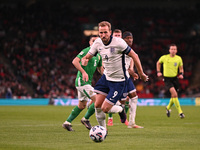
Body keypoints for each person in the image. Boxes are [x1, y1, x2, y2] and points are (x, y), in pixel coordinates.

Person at [82, 21, 148, 130]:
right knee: (97, 105)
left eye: (105, 32)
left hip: (118, 81)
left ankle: (121, 109)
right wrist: (85, 60)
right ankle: (103, 131)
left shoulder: (119, 43)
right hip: (106, 78)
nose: (103, 35)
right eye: (101, 33)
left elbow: (135, 56)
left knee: (105, 109)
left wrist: (141, 73)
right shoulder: (98, 42)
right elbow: (88, 56)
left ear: (110, 32)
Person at [62, 35, 104, 131]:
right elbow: (75, 61)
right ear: (90, 42)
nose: (95, 43)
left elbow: (100, 69)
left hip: (87, 83)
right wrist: (83, 72)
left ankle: (67, 122)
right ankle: (86, 119)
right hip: (82, 82)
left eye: (97, 41)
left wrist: (107, 76)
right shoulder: (86, 51)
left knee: (82, 105)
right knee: (98, 100)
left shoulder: (98, 55)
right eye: (93, 41)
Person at [156, 44, 185, 119]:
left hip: (175, 79)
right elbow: (158, 63)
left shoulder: (178, 58)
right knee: (175, 94)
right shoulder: (164, 57)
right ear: (169, 50)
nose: (173, 50)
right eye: (172, 49)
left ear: (176, 50)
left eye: (174, 49)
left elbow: (181, 68)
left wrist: (181, 74)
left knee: (173, 96)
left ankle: (168, 108)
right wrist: (158, 71)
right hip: (167, 79)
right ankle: (180, 112)